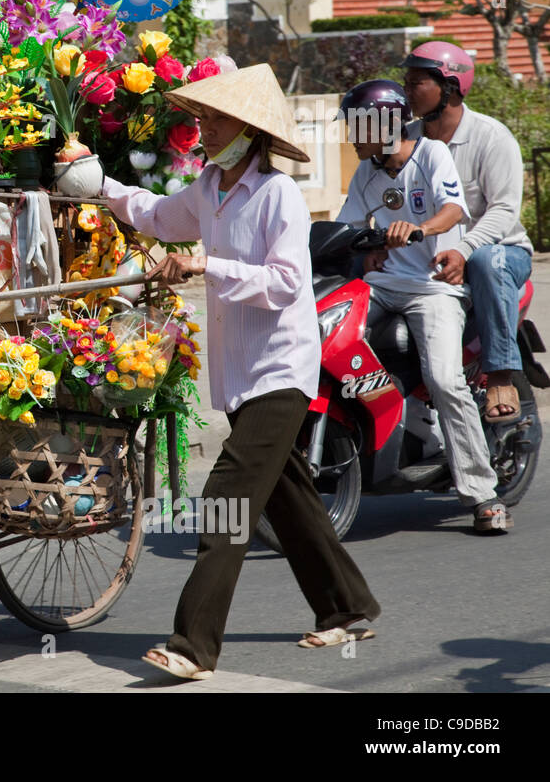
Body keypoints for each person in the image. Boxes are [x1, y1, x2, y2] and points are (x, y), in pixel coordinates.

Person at [102, 64, 381, 681]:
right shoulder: (207, 187)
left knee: (225, 499)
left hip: (280, 369)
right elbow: (155, 216)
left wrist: (208, 265)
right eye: (201, 116)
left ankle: (194, 645)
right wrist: (97, 185)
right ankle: (348, 607)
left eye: (216, 118)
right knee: (291, 497)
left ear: (248, 131)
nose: (202, 127)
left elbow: (285, 284)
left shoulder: (277, 194)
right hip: (239, 373)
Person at [336, 79, 508, 534]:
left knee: (445, 380)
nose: (351, 137)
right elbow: (346, 226)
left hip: (433, 289)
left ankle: (482, 494)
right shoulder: (366, 174)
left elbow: (453, 210)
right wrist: (357, 249)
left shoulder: (431, 153)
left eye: (358, 127)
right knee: (331, 349)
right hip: (382, 286)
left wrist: (418, 228)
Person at [400, 41, 534, 424]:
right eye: (405, 82)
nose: (407, 91)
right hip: (428, 258)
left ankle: (501, 377)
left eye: (416, 82)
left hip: (501, 253)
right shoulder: (405, 139)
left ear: (451, 87)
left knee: (485, 261)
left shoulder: (492, 137)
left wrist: (462, 247)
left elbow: (504, 210)